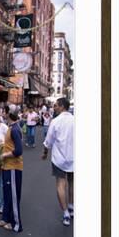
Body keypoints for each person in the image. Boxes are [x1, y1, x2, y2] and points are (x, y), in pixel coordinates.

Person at [42, 97, 74, 226]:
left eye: (56, 106)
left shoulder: (55, 121)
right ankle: (71, 207)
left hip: (59, 158)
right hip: (74, 157)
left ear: (61, 106)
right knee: (72, 183)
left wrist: (45, 153)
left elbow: (48, 141)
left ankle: (66, 213)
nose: (54, 108)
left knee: (61, 184)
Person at [0, 110, 24, 232]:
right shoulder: (12, 127)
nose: (3, 115)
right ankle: (6, 218)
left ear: (8, 115)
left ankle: (16, 224)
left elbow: (18, 150)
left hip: (13, 166)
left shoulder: (14, 129)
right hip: (7, 166)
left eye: (5, 113)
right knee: (7, 194)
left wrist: (5, 154)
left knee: (13, 196)